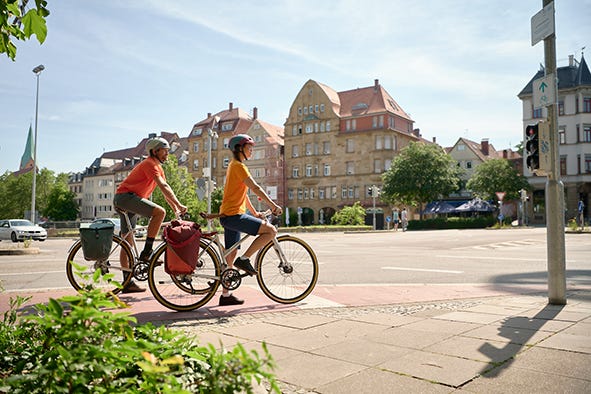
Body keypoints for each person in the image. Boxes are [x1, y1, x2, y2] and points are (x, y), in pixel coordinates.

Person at [113, 137, 187, 293]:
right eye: (164, 151)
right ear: (155, 151)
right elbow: (163, 185)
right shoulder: (149, 164)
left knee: (128, 242)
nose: (167, 154)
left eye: (168, 151)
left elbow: (165, 192)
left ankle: (126, 282)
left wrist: (176, 208)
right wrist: (179, 204)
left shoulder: (158, 167)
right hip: (126, 198)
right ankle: (147, 252)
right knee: (159, 213)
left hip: (129, 199)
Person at [218, 134, 283, 306]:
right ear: (240, 149)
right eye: (249, 147)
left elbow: (243, 193)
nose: (251, 150)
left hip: (228, 215)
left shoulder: (233, 166)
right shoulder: (239, 166)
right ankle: (245, 259)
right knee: (271, 231)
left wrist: (254, 213)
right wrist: (273, 205)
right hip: (234, 216)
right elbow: (255, 187)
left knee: (230, 256)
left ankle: (225, 295)